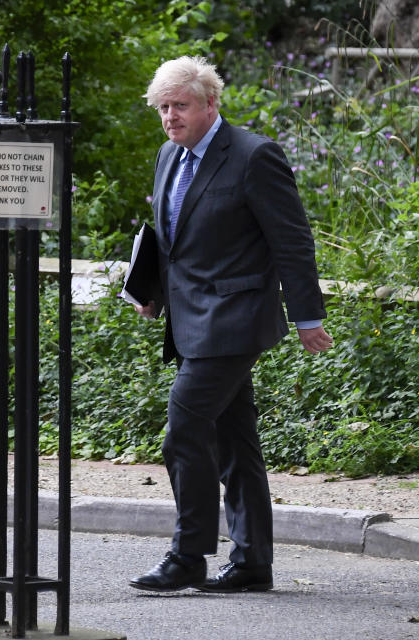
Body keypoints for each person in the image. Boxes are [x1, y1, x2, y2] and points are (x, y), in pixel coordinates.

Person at [127, 56, 333, 594]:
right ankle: (252, 563)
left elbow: (292, 241)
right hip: (191, 317)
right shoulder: (169, 155)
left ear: (211, 103)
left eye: (180, 106)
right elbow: (171, 240)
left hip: (234, 319)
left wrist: (306, 317)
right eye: (163, 108)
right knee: (236, 444)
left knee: (183, 431)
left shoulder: (253, 155)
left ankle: (188, 555)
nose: (170, 117)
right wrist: (150, 293)